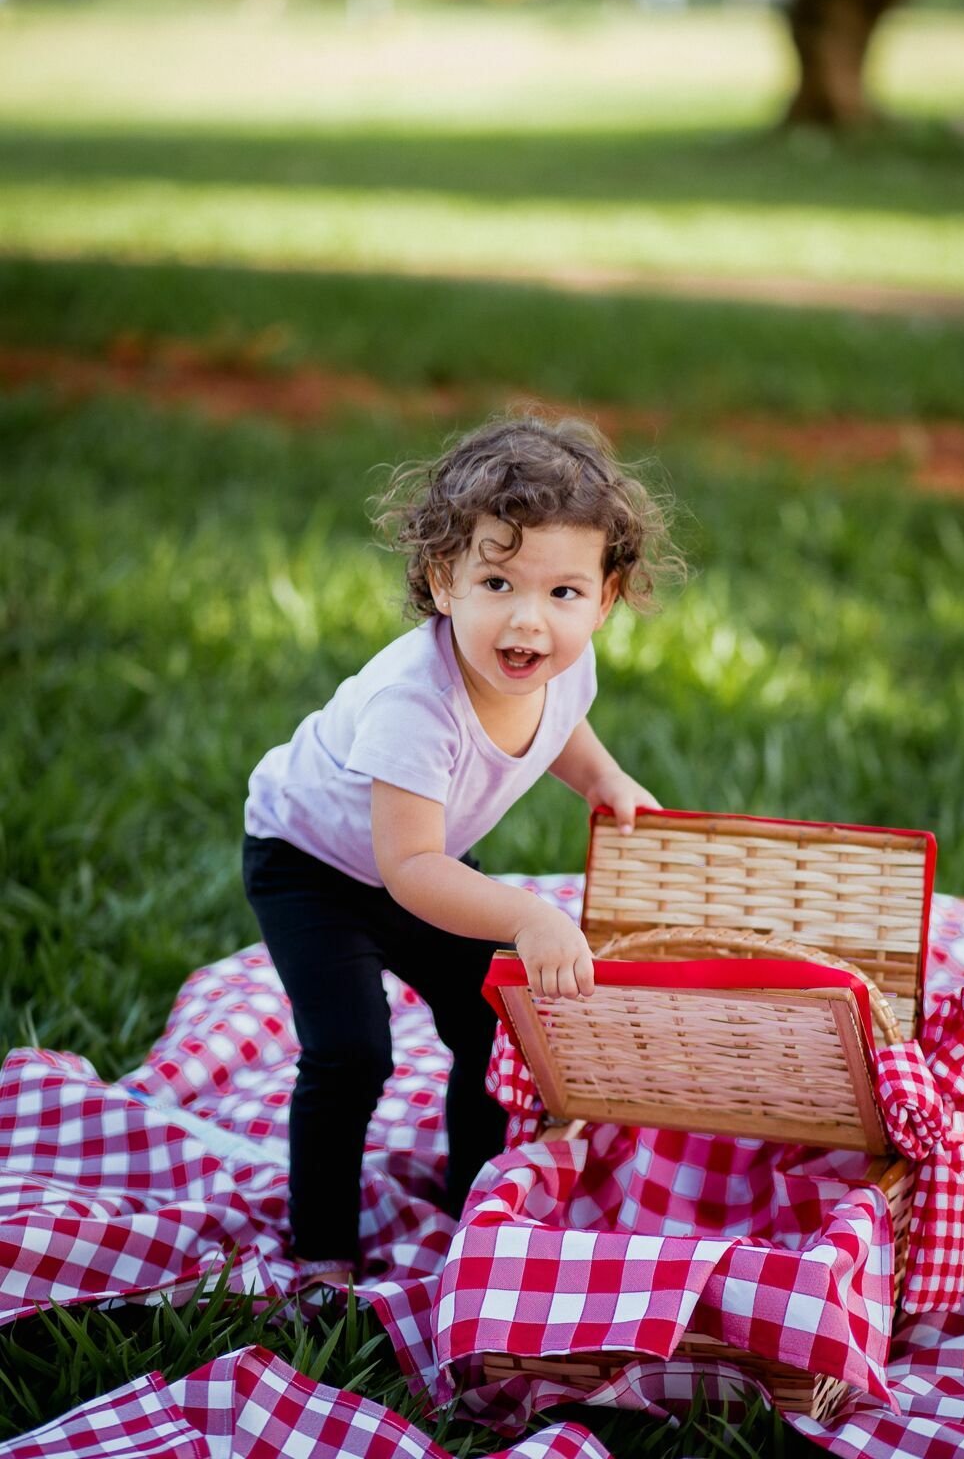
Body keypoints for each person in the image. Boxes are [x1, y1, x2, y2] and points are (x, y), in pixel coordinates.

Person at [241, 412, 680, 1284]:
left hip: (421, 863)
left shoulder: (562, 664)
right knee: (352, 1052)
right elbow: (409, 870)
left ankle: (474, 1202)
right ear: (444, 580)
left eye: (563, 592)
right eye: (497, 582)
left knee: (493, 1023)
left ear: (605, 597)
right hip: (312, 868)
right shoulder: (416, 703)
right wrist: (527, 916)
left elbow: (561, 725)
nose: (529, 621)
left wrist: (602, 778)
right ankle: (321, 1251)